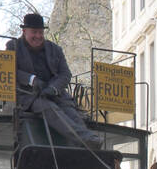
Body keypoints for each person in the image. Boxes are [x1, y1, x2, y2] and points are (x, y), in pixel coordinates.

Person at [7, 13, 104, 150]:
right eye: (34, 32)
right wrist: (32, 80)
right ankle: (85, 140)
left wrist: (53, 88)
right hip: (30, 95)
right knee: (50, 109)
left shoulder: (55, 49)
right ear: (24, 31)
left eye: (41, 32)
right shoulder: (13, 46)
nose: (38, 36)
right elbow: (11, 70)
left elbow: (65, 74)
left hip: (54, 93)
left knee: (72, 113)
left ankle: (85, 147)